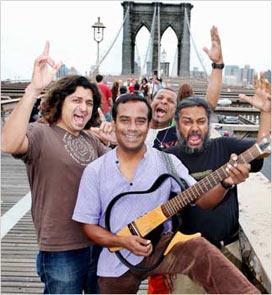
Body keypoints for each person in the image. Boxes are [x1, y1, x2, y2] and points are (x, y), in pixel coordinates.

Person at [72, 93, 259, 294]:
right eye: (125, 120)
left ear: (149, 124)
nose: (133, 128)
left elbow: (203, 201)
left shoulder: (167, 162)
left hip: (161, 246)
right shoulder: (95, 170)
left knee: (199, 248)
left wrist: (225, 181)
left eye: (141, 121)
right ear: (114, 123)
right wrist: (122, 241)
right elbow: (88, 225)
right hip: (116, 257)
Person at [1, 42, 111, 294]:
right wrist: (33, 90)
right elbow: (9, 143)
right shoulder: (41, 133)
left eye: (89, 102)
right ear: (60, 102)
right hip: (61, 249)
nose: (83, 107)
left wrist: (119, 142)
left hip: (97, 241)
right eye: (76, 100)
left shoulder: (91, 139)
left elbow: (118, 173)